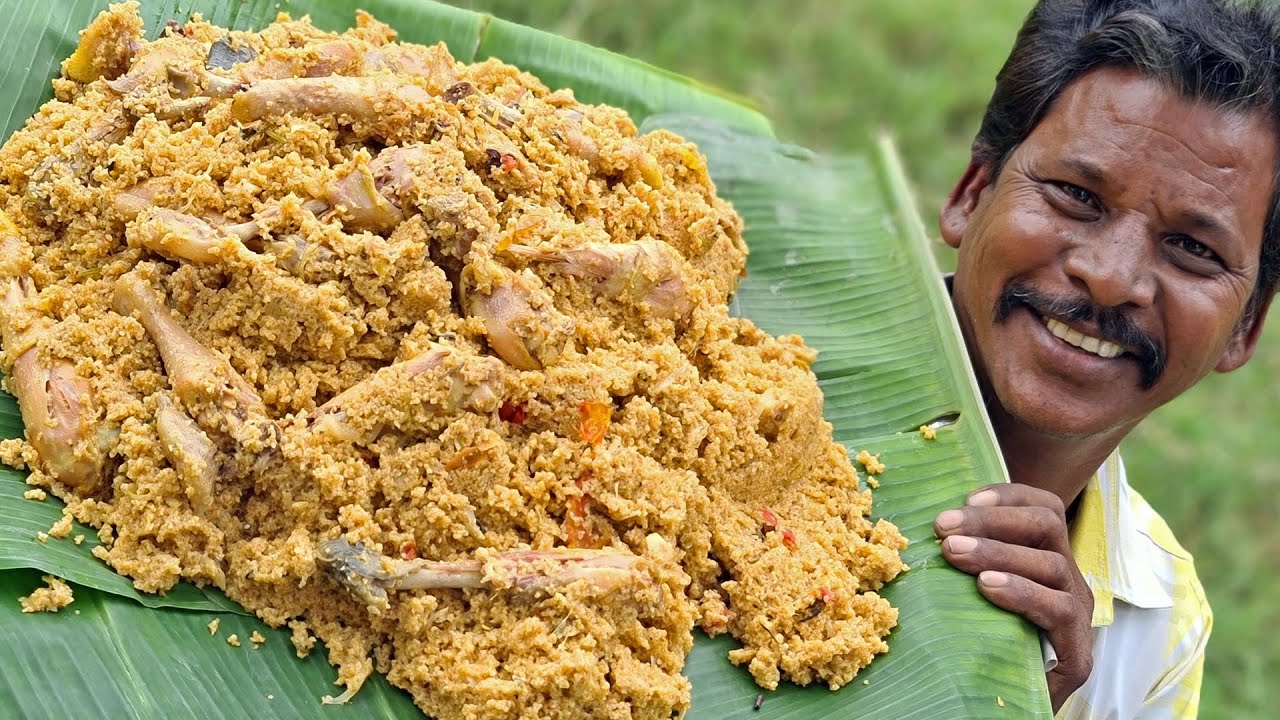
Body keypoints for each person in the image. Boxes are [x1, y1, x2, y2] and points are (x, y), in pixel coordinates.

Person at [929, 0, 1280, 717]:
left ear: (1245, 328)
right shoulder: (711, 382)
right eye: (1077, 195)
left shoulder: (1161, 625)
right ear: (972, 193)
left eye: (1194, 248)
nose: (1113, 277)